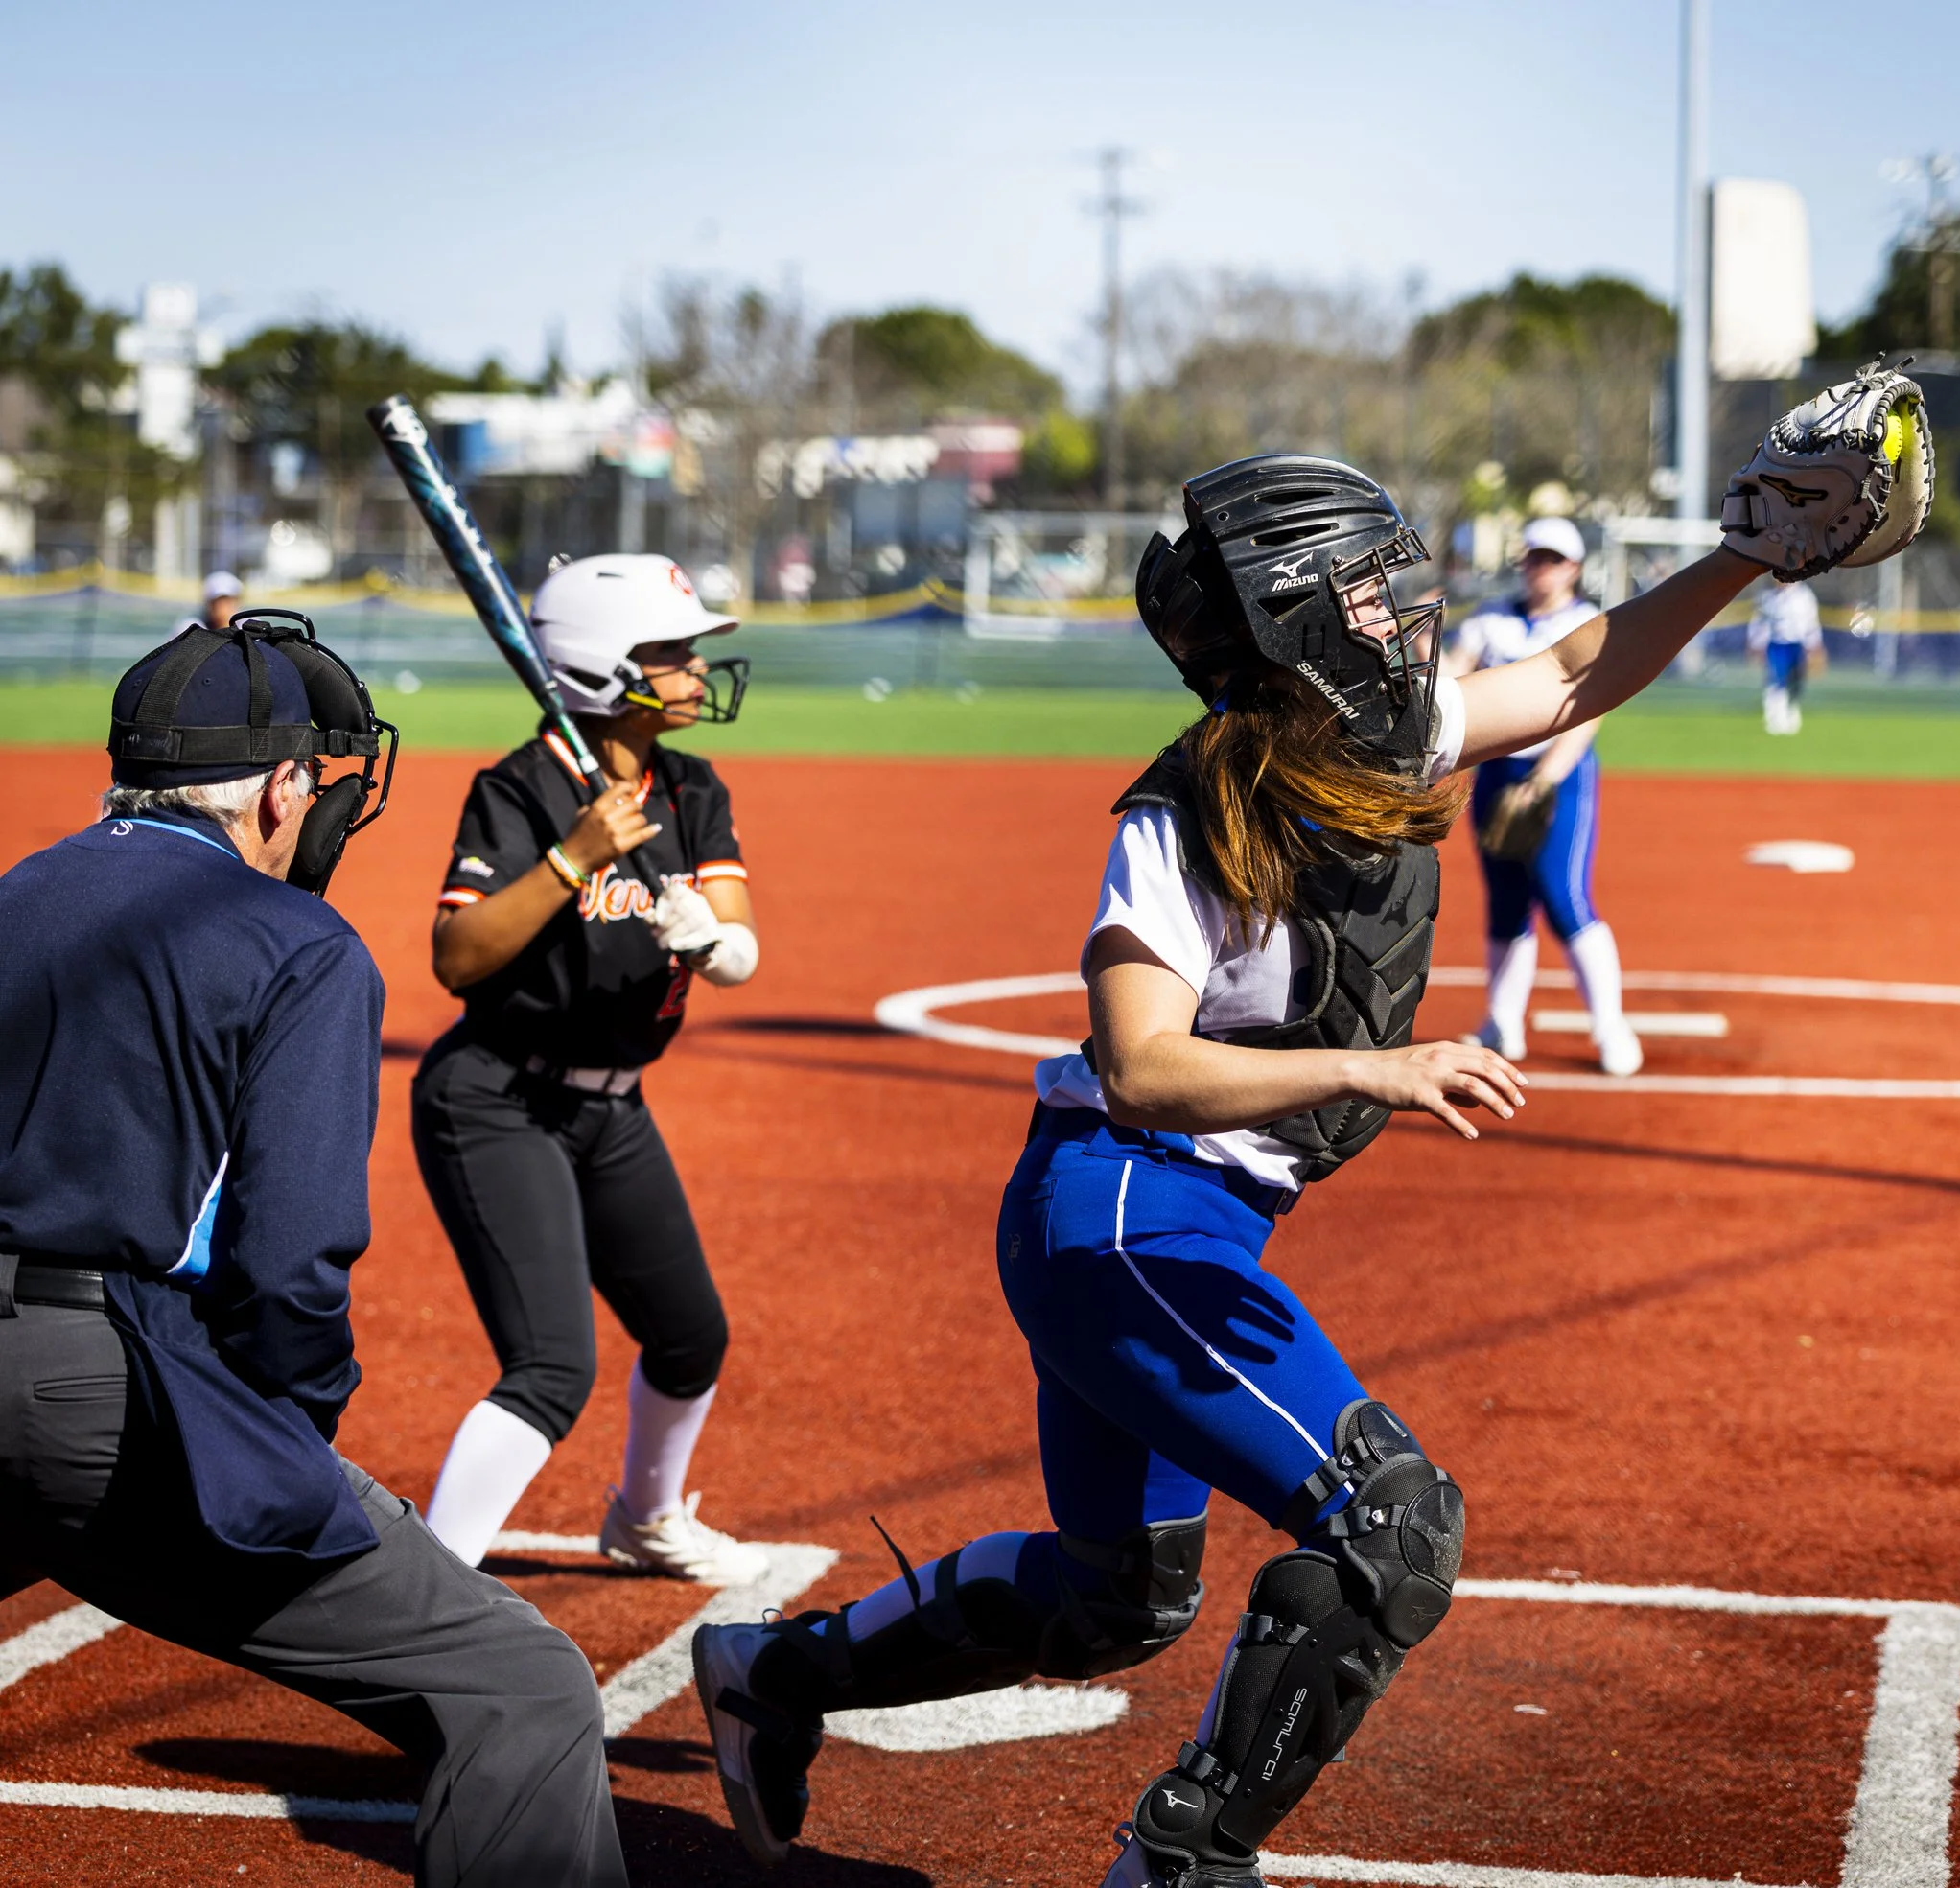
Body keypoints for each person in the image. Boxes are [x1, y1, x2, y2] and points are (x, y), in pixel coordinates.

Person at [689, 455, 1775, 1884]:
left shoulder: (1382, 731)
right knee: (1395, 1524)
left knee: (1113, 1600)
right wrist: (1368, 1067)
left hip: (1180, 1221)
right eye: (1374, 589)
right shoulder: (1185, 811)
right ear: (1294, 626)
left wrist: (1749, 552)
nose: (1412, 606)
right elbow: (1139, 1060)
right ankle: (1184, 1856)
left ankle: (773, 1677)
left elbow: (1579, 668)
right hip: (1124, 1215)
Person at [0, 612, 626, 1888]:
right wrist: (287, 1434)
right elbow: (291, 1263)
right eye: (322, 783)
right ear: (283, 786)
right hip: (88, 1385)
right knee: (517, 1684)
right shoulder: (299, 944)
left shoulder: (15, 890)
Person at [416, 553, 771, 1585]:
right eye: (670, 652)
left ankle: (645, 1517)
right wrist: (571, 859)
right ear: (602, 668)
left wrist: (709, 938)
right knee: (551, 1368)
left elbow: (743, 947)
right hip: (496, 1098)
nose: (696, 669)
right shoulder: (519, 790)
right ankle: (428, 1593)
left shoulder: (690, 788)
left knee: (689, 1335)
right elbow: (456, 956)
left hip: (613, 1107)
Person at [1448, 515, 1643, 1077]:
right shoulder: (1490, 620)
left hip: (1560, 778)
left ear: (1574, 568)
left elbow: (1589, 713)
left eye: (1553, 559)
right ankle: (1502, 1022)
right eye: (1534, 556)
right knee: (1506, 899)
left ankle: (1610, 1026)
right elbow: (1453, 680)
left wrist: (1545, 780)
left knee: (1564, 898)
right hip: (1496, 775)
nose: (1541, 568)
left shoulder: (1586, 623)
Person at [1748, 574, 1823, 734]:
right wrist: (1756, 643)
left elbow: (1811, 622)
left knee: (1796, 681)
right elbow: (1759, 622)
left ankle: (1792, 712)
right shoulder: (1768, 597)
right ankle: (1774, 717)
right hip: (1776, 644)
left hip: (1797, 644)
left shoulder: (1804, 596)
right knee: (1776, 680)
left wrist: (1814, 645)